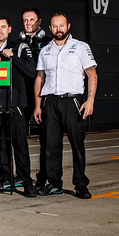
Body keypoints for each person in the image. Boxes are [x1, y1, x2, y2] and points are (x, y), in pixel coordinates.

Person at [33, 12, 98, 199]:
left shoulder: (80, 47)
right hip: (51, 102)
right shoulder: (45, 50)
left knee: (77, 145)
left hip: (73, 102)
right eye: (54, 26)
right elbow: (40, 78)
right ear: (50, 28)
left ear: (68, 26)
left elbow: (92, 74)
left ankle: (80, 185)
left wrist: (90, 99)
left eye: (61, 25)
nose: (58, 29)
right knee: (51, 146)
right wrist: (38, 105)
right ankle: (55, 184)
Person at [0, 15, 37, 197]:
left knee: (20, 144)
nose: (0, 30)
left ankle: (26, 181)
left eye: (3, 27)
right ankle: (3, 177)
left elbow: (31, 71)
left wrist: (13, 58)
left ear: (9, 29)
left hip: (15, 105)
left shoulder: (19, 47)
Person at [20, 6, 53, 188]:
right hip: (23, 97)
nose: (28, 23)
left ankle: (44, 177)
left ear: (39, 22)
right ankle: (23, 176)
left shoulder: (49, 44)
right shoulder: (18, 43)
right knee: (19, 138)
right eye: (25, 20)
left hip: (43, 96)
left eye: (31, 20)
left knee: (46, 140)